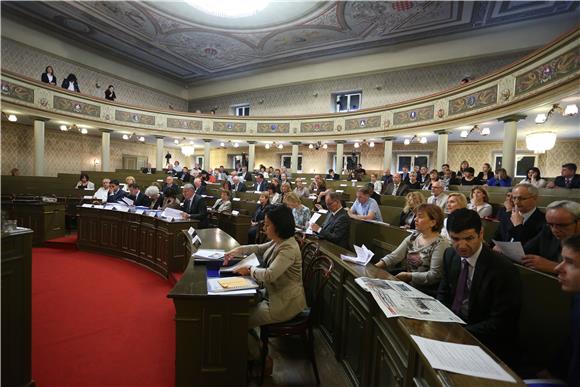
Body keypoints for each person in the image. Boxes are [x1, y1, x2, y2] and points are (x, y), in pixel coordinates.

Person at [224, 204, 307, 364]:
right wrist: (238, 250)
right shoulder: (279, 241)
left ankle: (261, 358)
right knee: (238, 311)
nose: (264, 227)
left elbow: (270, 275)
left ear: (279, 227)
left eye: (268, 224)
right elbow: (259, 248)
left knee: (238, 321)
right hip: (272, 294)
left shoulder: (288, 247)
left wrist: (249, 269)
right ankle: (254, 351)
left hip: (284, 302)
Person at [437, 208, 522, 363]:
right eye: (455, 239)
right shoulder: (450, 255)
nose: (461, 246)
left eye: (469, 238)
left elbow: (502, 322)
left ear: (481, 234)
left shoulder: (503, 269)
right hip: (452, 328)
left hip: (485, 340)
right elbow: (444, 293)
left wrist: (458, 333)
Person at [376, 204, 449, 292]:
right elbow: (394, 256)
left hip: (424, 290)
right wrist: (375, 267)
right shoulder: (415, 235)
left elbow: (434, 275)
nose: (415, 219)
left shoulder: (440, 243)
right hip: (408, 284)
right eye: (416, 216)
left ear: (433, 222)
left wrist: (409, 276)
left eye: (420, 217)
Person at [547, 235, 580, 387]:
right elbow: (571, 344)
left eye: (570, 263)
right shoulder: (577, 298)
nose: (557, 268)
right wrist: (552, 372)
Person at [523, 200, 580, 274]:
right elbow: (525, 251)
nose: (554, 230)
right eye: (550, 224)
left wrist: (554, 267)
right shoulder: (547, 230)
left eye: (562, 225)